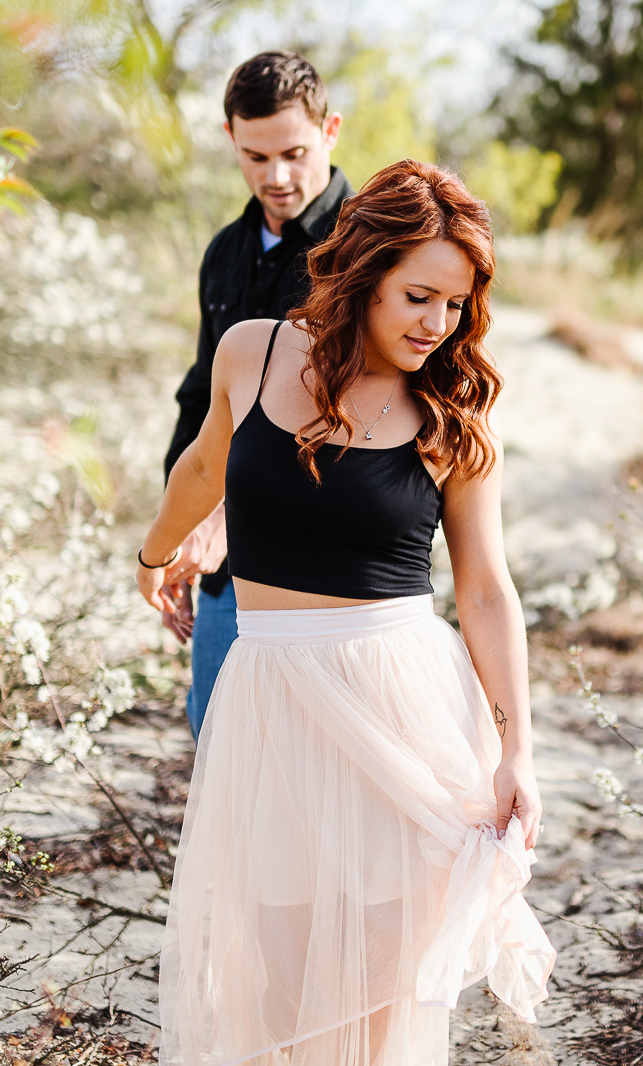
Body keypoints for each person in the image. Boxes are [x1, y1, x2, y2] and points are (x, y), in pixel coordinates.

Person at [137, 159, 554, 1065]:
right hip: (272, 698)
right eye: (417, 296)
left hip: (398, 712)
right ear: (365, 270)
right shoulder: (250, 351)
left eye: (454, 306)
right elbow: (204, 466)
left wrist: (516, 745)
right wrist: (157, 550)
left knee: (378, 993)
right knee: (282, 984)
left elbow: (485, 589)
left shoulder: (451, 415)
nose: (435, 324)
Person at [161, 50, 354, 738]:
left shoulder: (372, 250)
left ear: (330, 131)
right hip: (225, 561)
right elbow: (201, 401)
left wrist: (222, 518)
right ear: (230, 140)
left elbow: (354, 415)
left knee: (319, 756)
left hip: (334, 563)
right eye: (255, 157)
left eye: (295, 153)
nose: (276, 176)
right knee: (219, 734)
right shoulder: (224, 252)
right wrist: (180, 521)